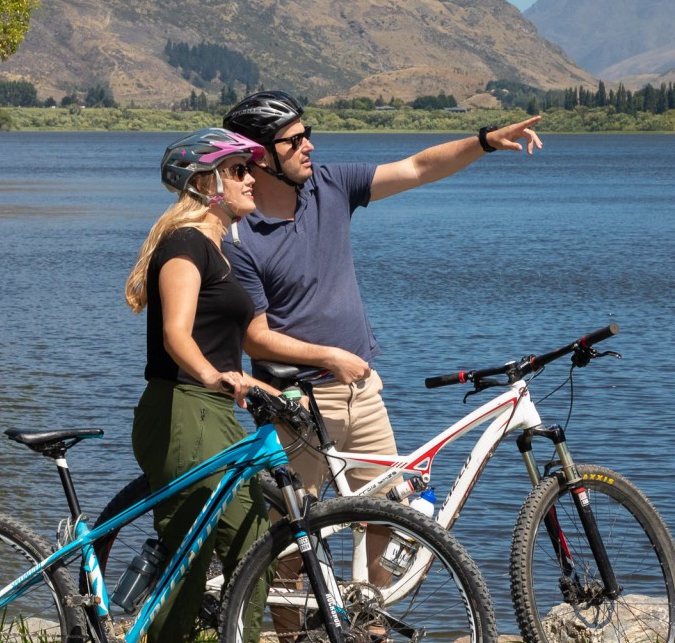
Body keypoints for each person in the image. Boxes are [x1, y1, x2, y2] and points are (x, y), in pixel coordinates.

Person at [222, 90, 543, 504]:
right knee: (289, 543)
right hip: (296, 404)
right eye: (295, 140)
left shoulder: (330, 185)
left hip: (363, 392)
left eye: (307, 134)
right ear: (261, 156)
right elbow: (255, 338)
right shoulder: (239, 235)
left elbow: (416, 168)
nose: (309, 146)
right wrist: (329, 357)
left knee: (386, 518)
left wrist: (483, 141)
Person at [124, 127, 309, 643]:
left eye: (250, 170)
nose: (252, 179)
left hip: (216, 411)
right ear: (206, 183)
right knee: (190, 550)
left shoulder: (221, 249)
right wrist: (215, 374)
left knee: (257, 538)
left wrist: (271, 385)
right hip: (182, 408)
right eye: (238, 171)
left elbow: (239, 337)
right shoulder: (184, 243)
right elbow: (177, 332)